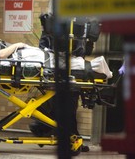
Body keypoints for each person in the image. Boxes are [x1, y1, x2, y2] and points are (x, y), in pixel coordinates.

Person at [29, 13, 91, 152]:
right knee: (67, 108)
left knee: (67, 108)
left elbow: (79, 49)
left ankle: (44, 129)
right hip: (61, 72)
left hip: (65, 71)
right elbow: (46, 46)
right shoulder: (66, 24)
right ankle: (46, 130)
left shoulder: (72, 24)